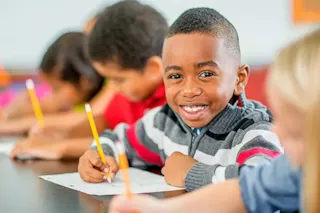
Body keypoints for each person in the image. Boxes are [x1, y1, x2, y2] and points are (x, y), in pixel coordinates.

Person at [108, 27, 320, 213]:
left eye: (295, 131)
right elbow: (244, 191)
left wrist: (192, 173)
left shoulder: (256, 129)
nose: (278, 133)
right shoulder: (294, 170)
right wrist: (157, 209)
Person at [78, 7, 282, 192]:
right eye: (176, 76)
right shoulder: (166, 121)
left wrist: (191, 173)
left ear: (240, 78)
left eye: (206, 74)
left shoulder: (255, 130)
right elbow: (118, 139)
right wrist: (100, 155)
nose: (189, 90)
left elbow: (264, 184)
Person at [9, 0, 168, 160]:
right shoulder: (130, 96)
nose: (115, 88)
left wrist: (62, 147)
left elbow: (132, 144)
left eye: (118, 80)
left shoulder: (175, 100)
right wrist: (62, 135)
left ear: (153, 69)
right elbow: (102, 123)